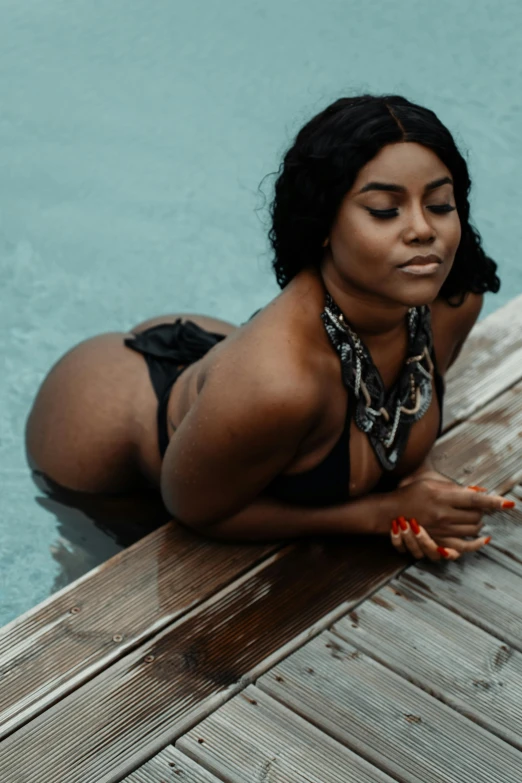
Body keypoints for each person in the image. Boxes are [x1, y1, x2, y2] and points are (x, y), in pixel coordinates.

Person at [26, 94, 513, 562]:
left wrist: (415, 478)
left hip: (225, 388)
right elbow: (199, 512)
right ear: (323, 224)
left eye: (440, 205)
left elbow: (398, 412)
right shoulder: (280, 383)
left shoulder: (451, 301)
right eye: (385, 210)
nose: (422, 229)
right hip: (99, 436)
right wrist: (384, 515)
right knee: (107, 563)